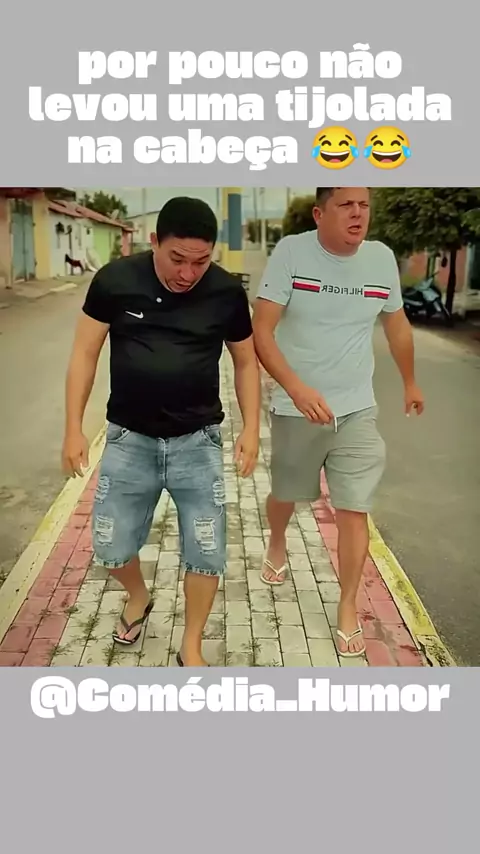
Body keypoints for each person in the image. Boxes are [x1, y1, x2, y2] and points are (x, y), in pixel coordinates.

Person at [62, 196, 260, 667]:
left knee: (206, 551)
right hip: (129, 440)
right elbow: (85, 353)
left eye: (200, 261)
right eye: (177, 259)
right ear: (154, 241)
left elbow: (246, 362)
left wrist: (252, 427)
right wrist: (73, 428)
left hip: (198, 442)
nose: (188, 273)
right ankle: (138, 595)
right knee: (110, 547)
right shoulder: (114, 281)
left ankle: (191, 645)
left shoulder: (226, 292)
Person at [252, 187, 424, 658]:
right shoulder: (292, 253)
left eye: (364, 205)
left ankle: (348, 606)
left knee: (354, 507)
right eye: (346, 204)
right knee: (286, 494)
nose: (357, 213)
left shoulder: (380, 259)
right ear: (319, 213)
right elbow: (261, 330)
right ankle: (277, 540)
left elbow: (396, 324)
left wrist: (410, 381)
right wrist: (295, 388)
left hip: (357, 408)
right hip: (298, 408)